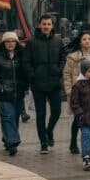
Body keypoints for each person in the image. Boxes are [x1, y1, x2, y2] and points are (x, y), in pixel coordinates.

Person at [23, 15, 66, 154]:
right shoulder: (32, 42)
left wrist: (59, 71)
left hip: (54, 82)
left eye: (49, 24)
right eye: (44, 24)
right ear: (39, 25)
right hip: (38, 84)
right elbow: (26, 62)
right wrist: (32, 76)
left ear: (52, 26)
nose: (46, 26)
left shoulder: (58, 41)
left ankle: (49, 130)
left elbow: (62, 58)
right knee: (41, 114)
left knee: (57, 111)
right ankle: (43, 142)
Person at [64, 32, 90, 156]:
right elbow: (66, 74)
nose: (87, 41)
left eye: (89, 39)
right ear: (80, 42)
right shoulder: (73, 57)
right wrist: (69, 91)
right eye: (84, 39)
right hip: (79, 92)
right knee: (78, 119)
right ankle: (73, 143)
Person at [0, 32, 26, 156]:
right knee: (7, 118)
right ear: (3, 43)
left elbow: (26, 72)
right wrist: (0, 88)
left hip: (18, 93)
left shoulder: (21, 57)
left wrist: (25, 86)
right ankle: (12, 143)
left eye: (13, 41)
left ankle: (7, 139)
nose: (10, 44)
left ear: (16, 43)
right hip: (4, 94)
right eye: (8, 41)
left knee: (14, 119)